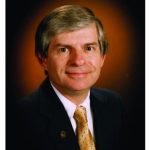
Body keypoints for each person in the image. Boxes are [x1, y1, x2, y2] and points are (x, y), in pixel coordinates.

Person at [15, 5, 127, 150]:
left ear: (102, 57)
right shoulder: (18, 118)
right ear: (43, 59)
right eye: (64, 49)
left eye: (88, 48)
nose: (78, 61)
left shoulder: (114, 105)